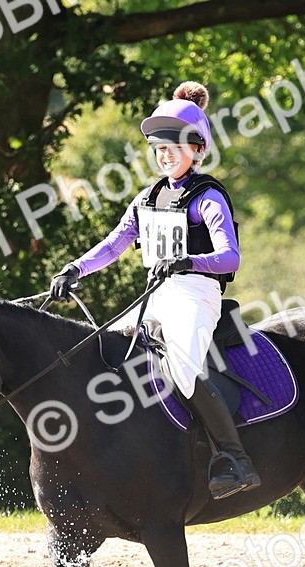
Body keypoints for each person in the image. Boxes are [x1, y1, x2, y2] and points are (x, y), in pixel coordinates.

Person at [48, 81, 261, 500]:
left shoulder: (209, 196)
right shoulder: (148, 198)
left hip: (196, 293)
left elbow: (230, 257)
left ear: (197, 151)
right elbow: (114, 244)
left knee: (182, 368)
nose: (165, 156)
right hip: (157, 293)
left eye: (174, 148)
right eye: (159, 149)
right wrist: (76, 268)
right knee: (105, 349)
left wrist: (187, 261)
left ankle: (235, 459)